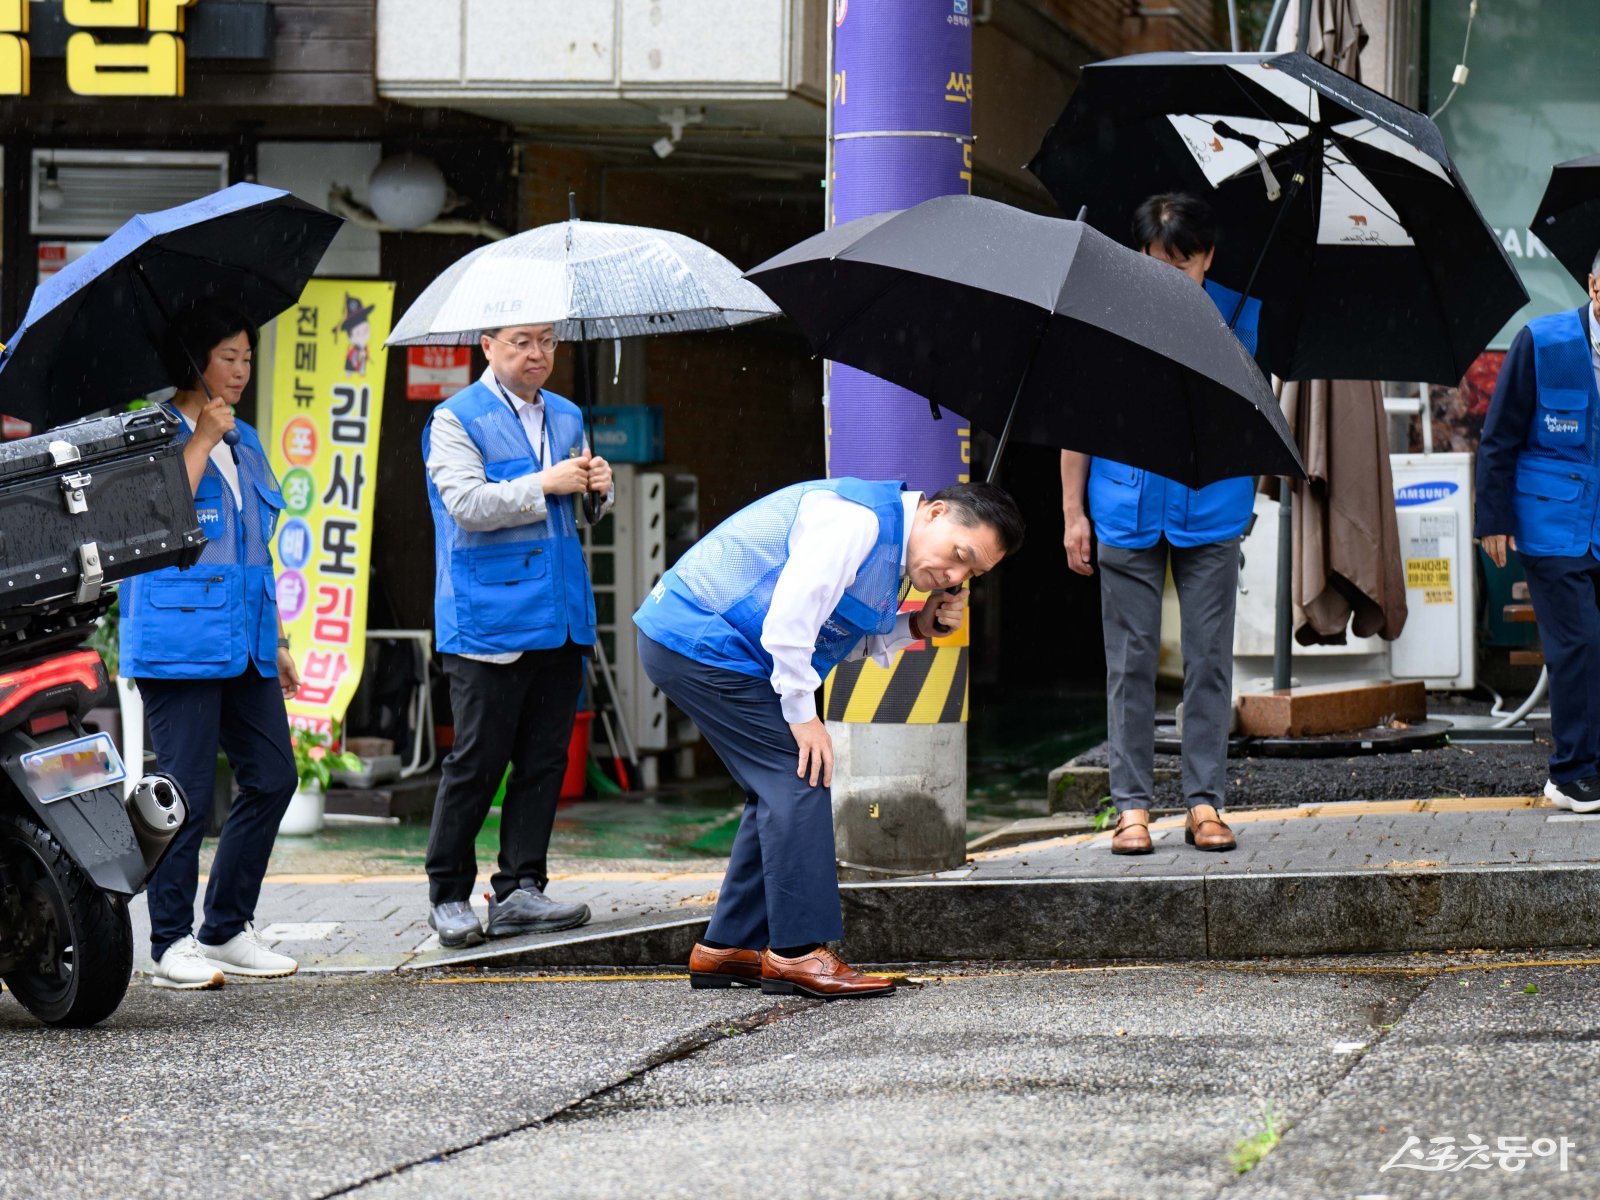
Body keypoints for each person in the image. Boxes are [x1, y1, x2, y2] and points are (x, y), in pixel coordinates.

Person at [634, 479, 1024, 999]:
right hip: (702, 642)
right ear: (934, 513)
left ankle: (728, 947)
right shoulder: (856, 522)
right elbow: (789, 622)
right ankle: (797, 953)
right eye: (959, 555)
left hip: (702, 643)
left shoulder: (888, 548)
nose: (955, 576)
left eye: (971, 573)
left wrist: (916, 626)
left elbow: (830, 635)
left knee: (780, 785)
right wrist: (803, 715)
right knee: (800, 774)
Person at [1060, 193, 1261, 857]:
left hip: (1213, 510)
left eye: (1183, 263)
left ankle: (1205, 802)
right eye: (1156, 261)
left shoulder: (1241, 316)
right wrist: (1072, 513)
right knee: (1130, 664)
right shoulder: (1106, 315)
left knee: (1208, 663)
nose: (1169, 274)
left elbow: (1256, 420)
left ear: (1208, 258)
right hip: (1123, 510)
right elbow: (1079, 421)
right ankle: (1132, 808)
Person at [120, 303, 302, 990]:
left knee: (274, 776)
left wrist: (277, 638)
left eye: (248, 358)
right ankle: (170, 940)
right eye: (229, 357)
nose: (242, 370)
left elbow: (257, 549)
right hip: (179, 640)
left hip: (246, 640)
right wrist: (198, 438)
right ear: (195, 361)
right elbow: (150, 520)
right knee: (186, 795)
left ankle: (226, 926)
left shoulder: (245, 439)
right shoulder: (150, 432)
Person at [421, 323, 613, 948]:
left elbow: (579, 509)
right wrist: (545, 483)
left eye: (548, 342)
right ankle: (449, 894)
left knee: (544, 758)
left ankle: (520, 890)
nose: (538, 354)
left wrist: (599, 489)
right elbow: (465, 505)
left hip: (559, 614)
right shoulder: (456, 418)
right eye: (522, 342)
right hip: (488, 618)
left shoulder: (568, 414)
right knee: (478, 759)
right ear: (487, 345)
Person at [1476, 247, 1600, 814]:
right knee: (1579, 643)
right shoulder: (1543, 342)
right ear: (1594, 289)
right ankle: (1572, 773)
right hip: (1552, 524)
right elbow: (1499, 434)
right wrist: (1493, 518)